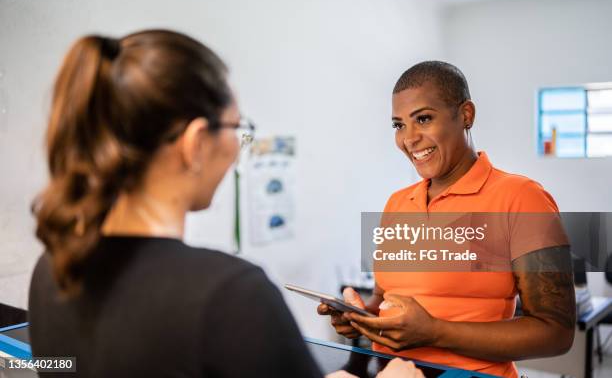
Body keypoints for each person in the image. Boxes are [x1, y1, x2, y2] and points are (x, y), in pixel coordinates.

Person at [28, 29, 421, 378]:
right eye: (238, 128)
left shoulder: (52, 270)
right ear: (196, 142)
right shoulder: (230, 294)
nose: (238, 146)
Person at [319, 61, 576, 378]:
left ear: (466, 115)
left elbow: (556, 332)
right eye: (398, 125)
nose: (409, 139)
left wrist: (435, 332)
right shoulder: (397, 203)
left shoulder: (523, 198)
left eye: (423, 119)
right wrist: (361, 314)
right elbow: (385, 298)